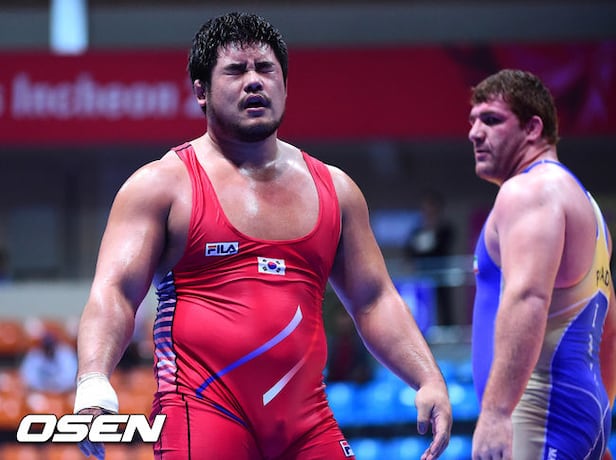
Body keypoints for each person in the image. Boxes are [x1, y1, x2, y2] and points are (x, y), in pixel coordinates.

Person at [73, 11, 452, 460]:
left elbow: (373, 299)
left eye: (266, 69)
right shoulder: (161, 187)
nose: (254, 81)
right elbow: (115, 293)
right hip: (202, 413)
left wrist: (428, 377)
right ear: (200, 91)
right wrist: (93, 382)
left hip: (307, 423)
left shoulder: (336, 190)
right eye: (236, 71)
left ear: (285, 85)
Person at [468, 69, 616, 459]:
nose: (475, 133)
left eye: (491, 120)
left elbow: (528, 297)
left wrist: (497, 412)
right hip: (579, 414)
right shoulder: (589, 208)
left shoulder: (528, 191)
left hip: (537, 414)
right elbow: (610, 331)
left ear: (533, 128)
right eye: (473, 120)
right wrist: (597, 418)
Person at [405, 190, 456, 326]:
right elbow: (409, 251)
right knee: (423, 305)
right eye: (425, 208)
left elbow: (443, 247)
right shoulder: (416, 230)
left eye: (431, 207)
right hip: (422, 275)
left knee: (443, 303)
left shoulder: (445, 229)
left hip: (440, 274)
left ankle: (446, 329)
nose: (428, 211)